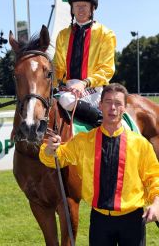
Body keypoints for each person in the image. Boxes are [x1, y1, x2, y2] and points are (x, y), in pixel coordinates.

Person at [39, 83, 159, 246]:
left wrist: (157, 203)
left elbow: (154, 178)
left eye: (118, 103)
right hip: (99, 221)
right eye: (108, 102)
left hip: (133, 221)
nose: (113, 108)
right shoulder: (83, 141)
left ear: (124, 108)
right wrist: (49, 149)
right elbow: (57, 157)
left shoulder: (140, 144)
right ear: (100, 106)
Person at [54, 0, 116, 126]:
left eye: (84, 6)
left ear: (92, 8)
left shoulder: (105, 34)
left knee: (66, 100)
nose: (80, 9)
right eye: (77, 5)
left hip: (93, 87)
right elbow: (58, 67)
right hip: (67, 89)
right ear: (72, 9)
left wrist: (84, 83)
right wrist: (58, 84)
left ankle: (104, 123)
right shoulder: (63, 35)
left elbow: (106, 69)